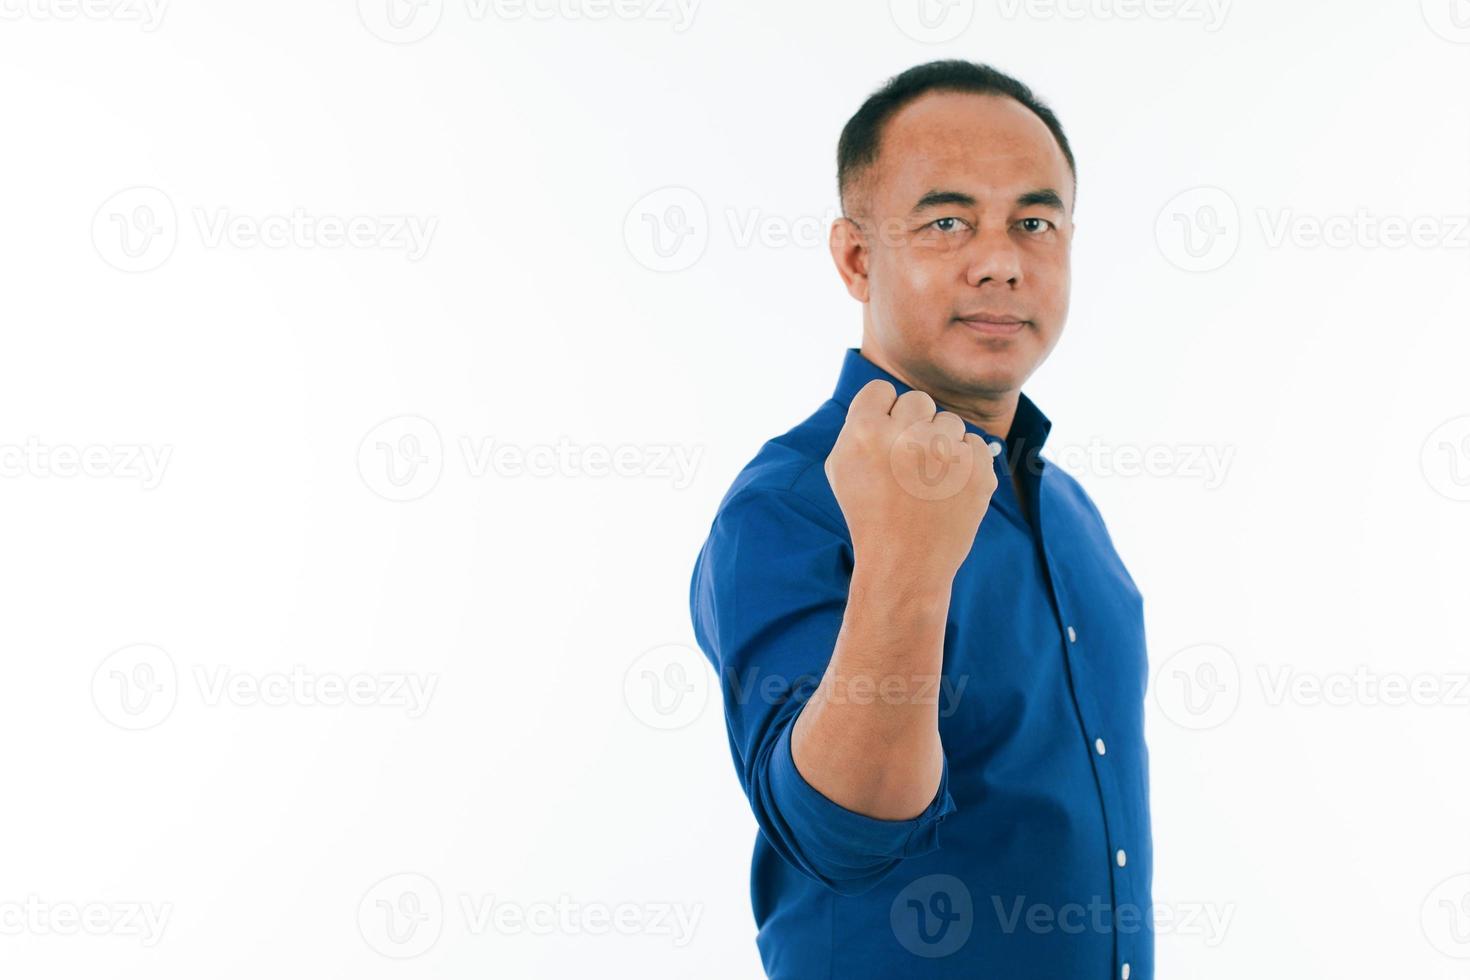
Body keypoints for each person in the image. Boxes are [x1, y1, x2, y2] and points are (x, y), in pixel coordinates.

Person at [689, 60, 1153, 978]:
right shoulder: (788, 503)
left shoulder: (1067, 509)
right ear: (858, 257)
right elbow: (842, 833)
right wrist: (908, 562)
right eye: (947, 221)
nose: (1001, 259)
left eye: (1035, 221)